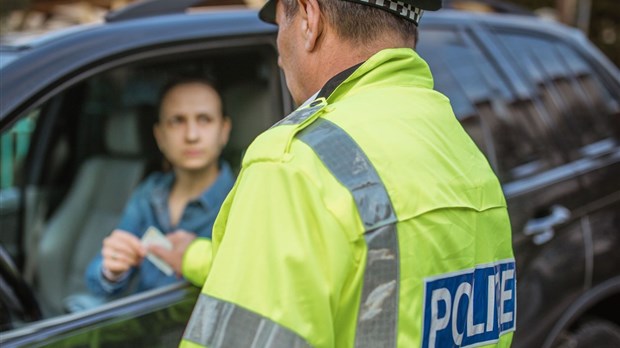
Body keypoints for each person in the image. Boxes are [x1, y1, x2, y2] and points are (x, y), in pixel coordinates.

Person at [181, 0, 515, 347]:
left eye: (280, 25)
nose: (279, 55)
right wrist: (191, 257)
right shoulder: (464, 151)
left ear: (309, 18)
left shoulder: (295, 164)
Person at [80, 77, 234, 308]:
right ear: (160, 136)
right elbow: (96, 277)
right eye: (177, 121)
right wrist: (112, 269)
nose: (191, 135)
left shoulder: (241, 199)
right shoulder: (151, 191)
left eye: (204, 119)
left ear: (224, 131)